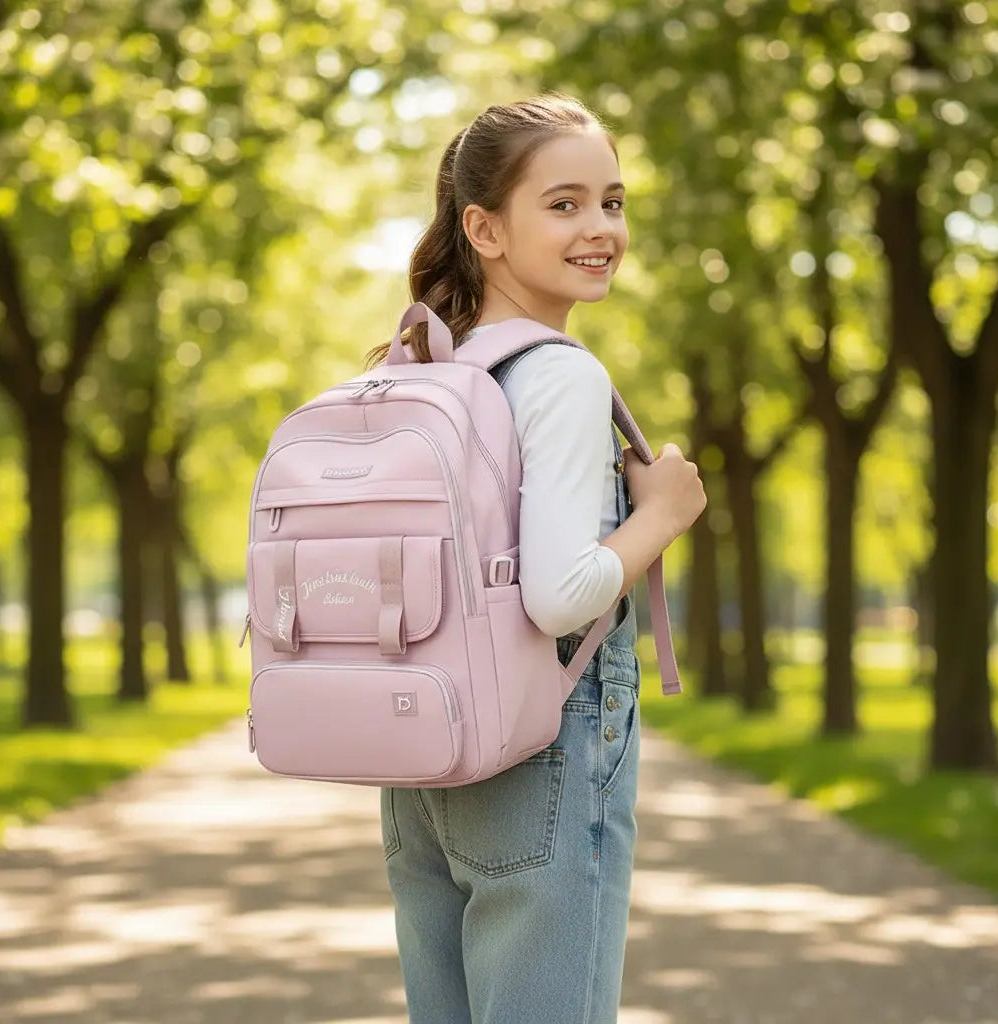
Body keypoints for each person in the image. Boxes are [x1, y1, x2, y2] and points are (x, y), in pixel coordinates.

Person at [366, 94, 707, 1024]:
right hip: (537, 748)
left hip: (427, 757)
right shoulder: (558, 374)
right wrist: (664, 515)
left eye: (613, 202)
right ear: (484, 226)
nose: (600, 229)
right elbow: (559, 598)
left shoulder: (438, 368)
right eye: (563, 205)